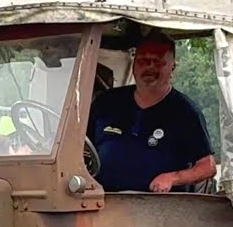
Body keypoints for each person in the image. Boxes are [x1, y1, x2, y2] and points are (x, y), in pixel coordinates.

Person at [87, 31, 216, 193]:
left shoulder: (186, 112)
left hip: (159, 209)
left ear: (173, 67)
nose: (149, 67)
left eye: (157, 61)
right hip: (103, 203)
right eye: (143, 61)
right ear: (133, 64)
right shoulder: (106, 102)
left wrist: (172, 178)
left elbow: (208, 167)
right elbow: (81, 149)